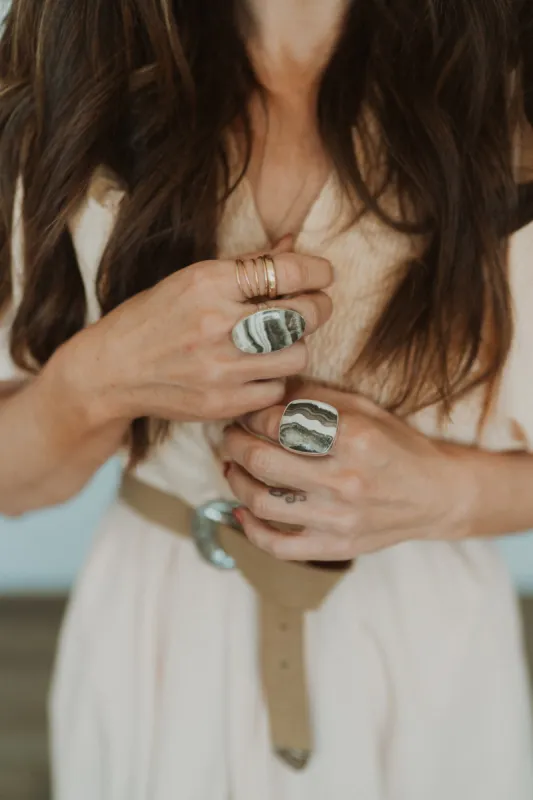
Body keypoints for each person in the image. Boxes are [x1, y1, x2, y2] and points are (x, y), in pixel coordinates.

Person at [0, 0, 533, 797]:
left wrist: (448, 493)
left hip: (431, 658)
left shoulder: (511, 86)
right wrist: (101, 374)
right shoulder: (64, 74)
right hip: (155, 642)